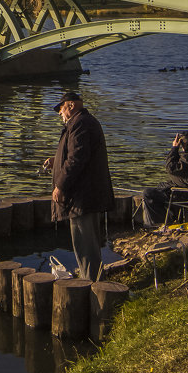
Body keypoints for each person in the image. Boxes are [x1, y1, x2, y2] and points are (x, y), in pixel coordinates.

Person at [41, 91, 114, 281]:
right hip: (85, 195)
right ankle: (94, 279)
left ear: (71, 105)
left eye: (61, 109)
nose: (60, 114)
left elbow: (77, 159)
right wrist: (56, 160)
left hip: (83, 197)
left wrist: (60, 186)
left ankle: (92, 285)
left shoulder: (80, 123)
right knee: (87, 244)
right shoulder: (81, 122)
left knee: (85, 245)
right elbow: (77, 154)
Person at [140, 131, 188, 227]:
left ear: (184, 143)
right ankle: (171, 218)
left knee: (148, 193)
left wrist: (174, 148)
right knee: (161, 186)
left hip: (187, 195)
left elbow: (170, 167)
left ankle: (157, 224)